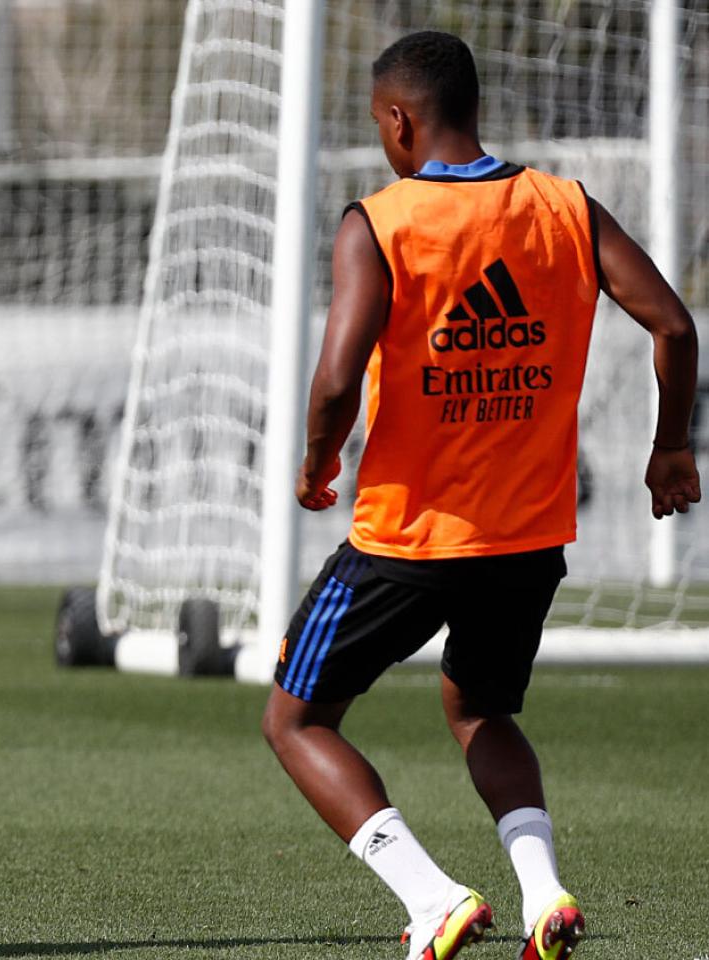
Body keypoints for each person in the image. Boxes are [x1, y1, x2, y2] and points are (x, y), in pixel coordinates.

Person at [260, 30, 698, 960]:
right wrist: (668, 450)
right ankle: (543, 895)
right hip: (529, 539)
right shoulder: (564, 207)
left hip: (406, 542)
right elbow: (672, 323)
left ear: (398, 118)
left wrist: (314, 462)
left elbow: (338, 376)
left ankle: (431, 900)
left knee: (295, 718)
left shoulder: (379, 222)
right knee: (480, 711)